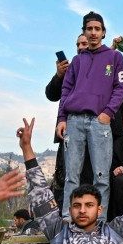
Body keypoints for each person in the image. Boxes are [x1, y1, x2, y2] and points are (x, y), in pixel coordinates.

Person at [58, 11, 123, 220]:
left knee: (101, 176)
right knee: (72, 175)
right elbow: (65, 90)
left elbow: (120, 87)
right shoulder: (77, 61)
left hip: (99, 121)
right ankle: (67, 219)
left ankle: (99, 221)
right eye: (89, 29)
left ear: (104, 32)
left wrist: (108, 113)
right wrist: (61, 118)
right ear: (84, 32)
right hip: (74, 120)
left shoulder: (115, 57)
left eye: (97, 29)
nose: (93, 32)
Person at [46, 34, 95, 209]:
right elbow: (51, 95)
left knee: (89, 180)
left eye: (84, 43)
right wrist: (59, 75)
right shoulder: (70, 70)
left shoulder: (98, 66)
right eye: (78, 44)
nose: (81, 47)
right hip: (67, 134)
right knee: (67, 178)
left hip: (93, 134)